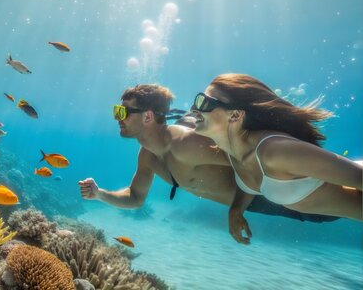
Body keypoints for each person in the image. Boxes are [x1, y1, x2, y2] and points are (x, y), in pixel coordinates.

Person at [79, 84, 337, 245]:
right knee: (340, 208)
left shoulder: (187, 143)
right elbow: (135, 197)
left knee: (343, 194)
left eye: (122, 112)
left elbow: (251, 160)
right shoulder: (146, 155)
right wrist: (100, 194)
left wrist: (236, 211)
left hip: (277, 187)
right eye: (117, 111)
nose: (117, 118)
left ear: (147, 116)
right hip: (265, 201)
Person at [189, 73, 362, 238]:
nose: (193, 108)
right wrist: (236, 210)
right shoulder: (233, 151)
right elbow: (248, 182)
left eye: (203, 102)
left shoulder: (275, 152)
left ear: (235, 115)